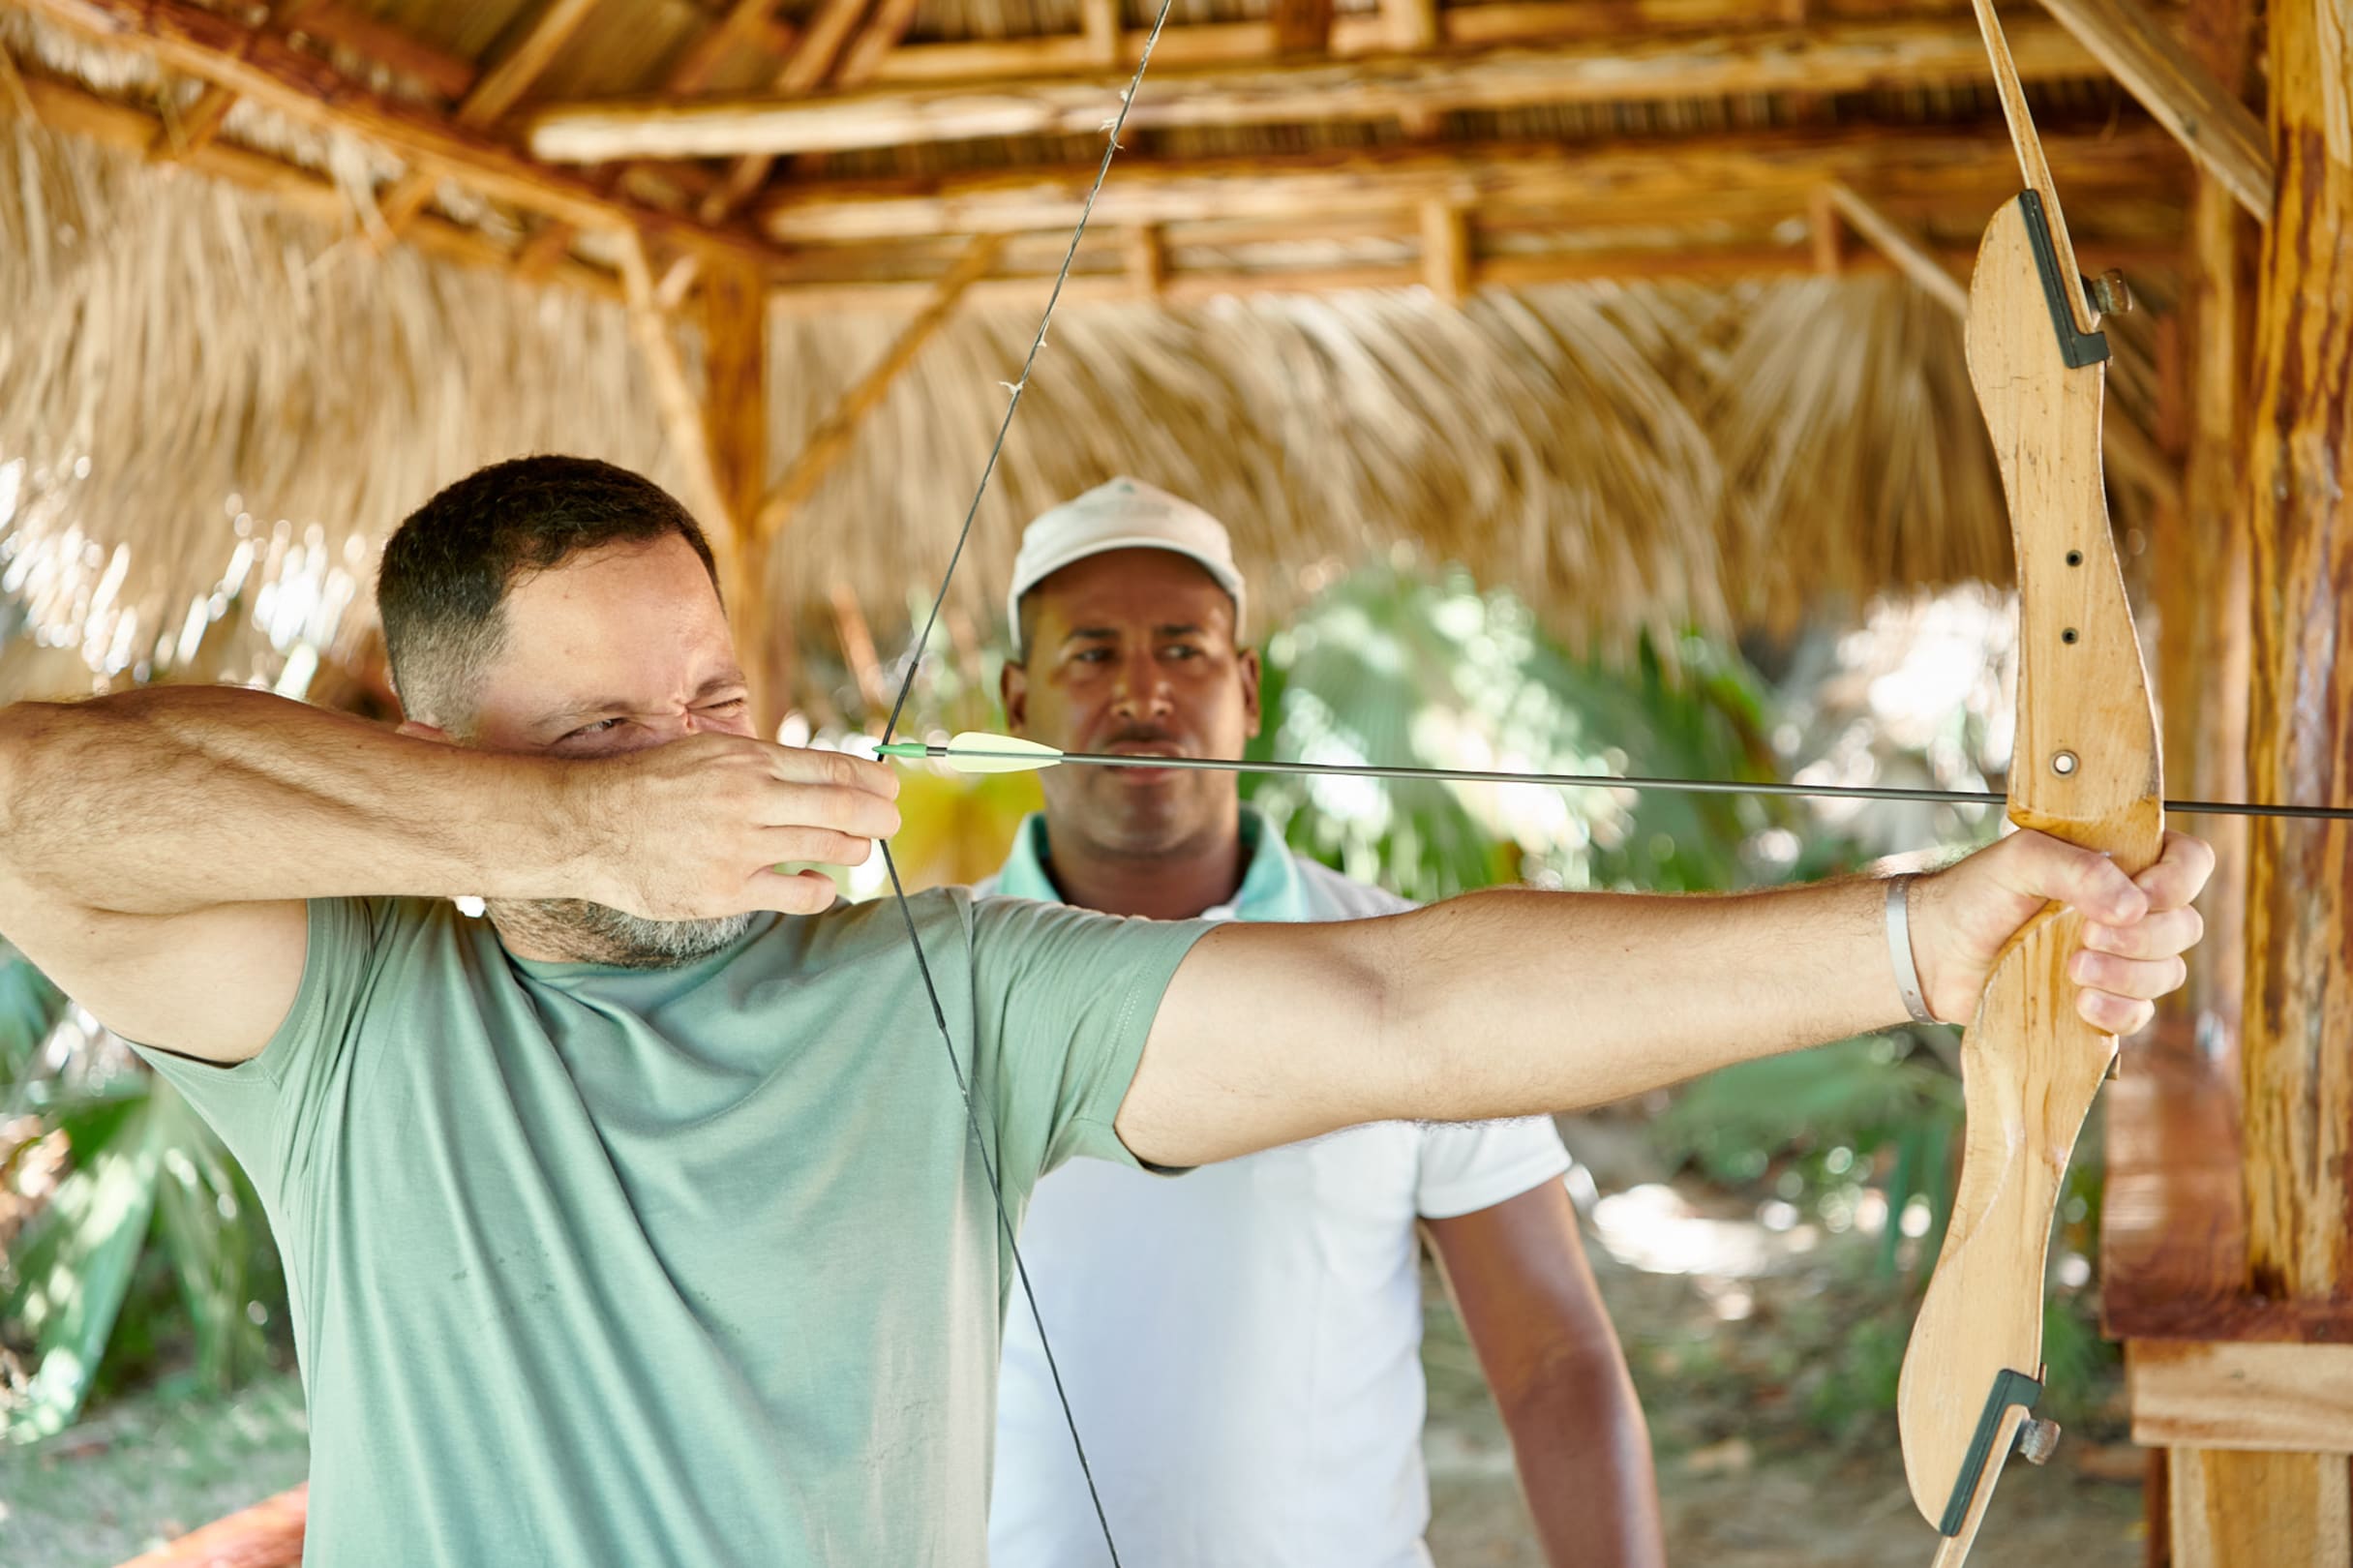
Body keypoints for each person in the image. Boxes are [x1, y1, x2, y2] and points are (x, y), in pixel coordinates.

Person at [0, 456, 2210, 1567]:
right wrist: (572, 838)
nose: (690, 765)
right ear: (443, 748)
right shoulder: (351, 1017)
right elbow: (42, 797)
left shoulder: (939, 1000)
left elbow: (1394, 1003)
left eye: (715, 704)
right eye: (601, 732)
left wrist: (1913, 941)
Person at [983, 478, 1661, 1567]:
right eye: (1092, 655)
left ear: (1248, 689)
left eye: (1184, 650)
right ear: (1017, 702)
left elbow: (1553, 1359)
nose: (1143, 693)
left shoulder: (1404, 975)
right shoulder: (924, 984)